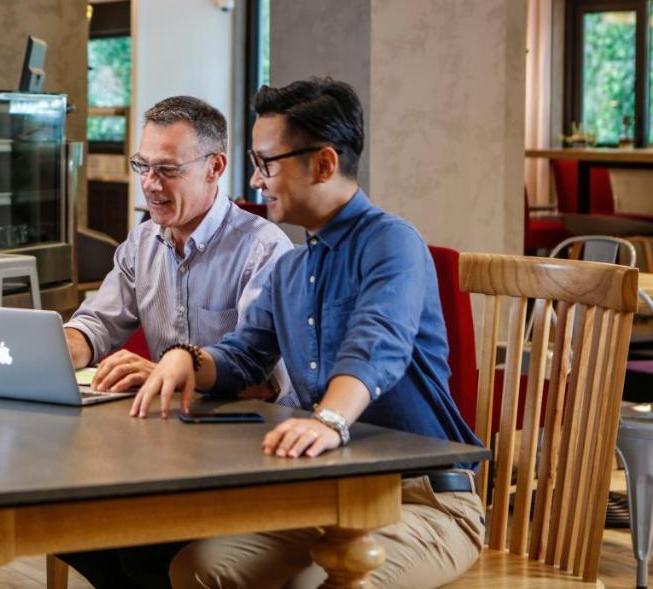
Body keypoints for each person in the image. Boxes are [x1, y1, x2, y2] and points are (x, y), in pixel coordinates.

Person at [118, 78, 483, 589]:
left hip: (423, 501)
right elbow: (243, 357)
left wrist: (330, 418)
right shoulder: (292, 269)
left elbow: (378, 343)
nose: (256, 179)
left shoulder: (392, 243)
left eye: (267, 163)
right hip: (326, 494)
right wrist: (184, 359)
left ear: (324, 164)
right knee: (197, 568)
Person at [63, 96, 292, 396]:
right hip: (170, 423)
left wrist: (167, 374)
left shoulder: (264, 251)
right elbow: (97, 324)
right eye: (143, 166)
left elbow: (266, 383)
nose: (149, 184)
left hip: (250, 430)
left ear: (215, 167)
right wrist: (64, 348)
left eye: (167, 170)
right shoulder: (141, 243)